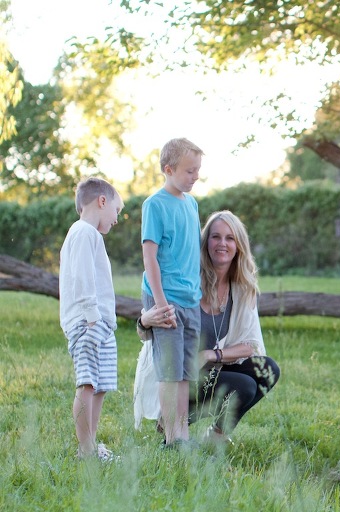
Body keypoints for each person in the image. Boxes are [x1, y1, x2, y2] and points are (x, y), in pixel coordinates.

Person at [138, 210, 280, 444]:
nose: (222, 244)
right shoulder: (187, 279)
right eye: (216, 237)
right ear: (205, 243)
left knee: (269, 369)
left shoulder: (242, 288)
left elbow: (251, 345)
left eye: (230, 238)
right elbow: (146, 332)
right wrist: (144, 321)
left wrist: (209, 355)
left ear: (238, 246)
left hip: (207, 366)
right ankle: (172, 423)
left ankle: (215, 437)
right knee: (244, 386)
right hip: (178, 374)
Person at [141, 137, 204, 448]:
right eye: (190, 171)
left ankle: (183, 436)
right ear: (168, 170)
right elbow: (149, 257)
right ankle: (170, 439)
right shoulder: (154, 205)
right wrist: (161, 303)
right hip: (165, 299)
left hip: (191, 299)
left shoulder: (191, 204)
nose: (195, 176)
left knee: (185, 373)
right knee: (169, 373)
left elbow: (192, 252)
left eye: (197, 170)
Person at [59, 177, 124, 461]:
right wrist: (93, 317)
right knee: (87, 383)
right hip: (88, 323)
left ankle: (92, 445)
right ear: (102, 201)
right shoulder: (84, 232)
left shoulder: (89, 235)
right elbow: (82, 277)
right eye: (116, 211)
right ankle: (85, 449)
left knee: (100, 385)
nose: (117, 219)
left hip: (101, 323)